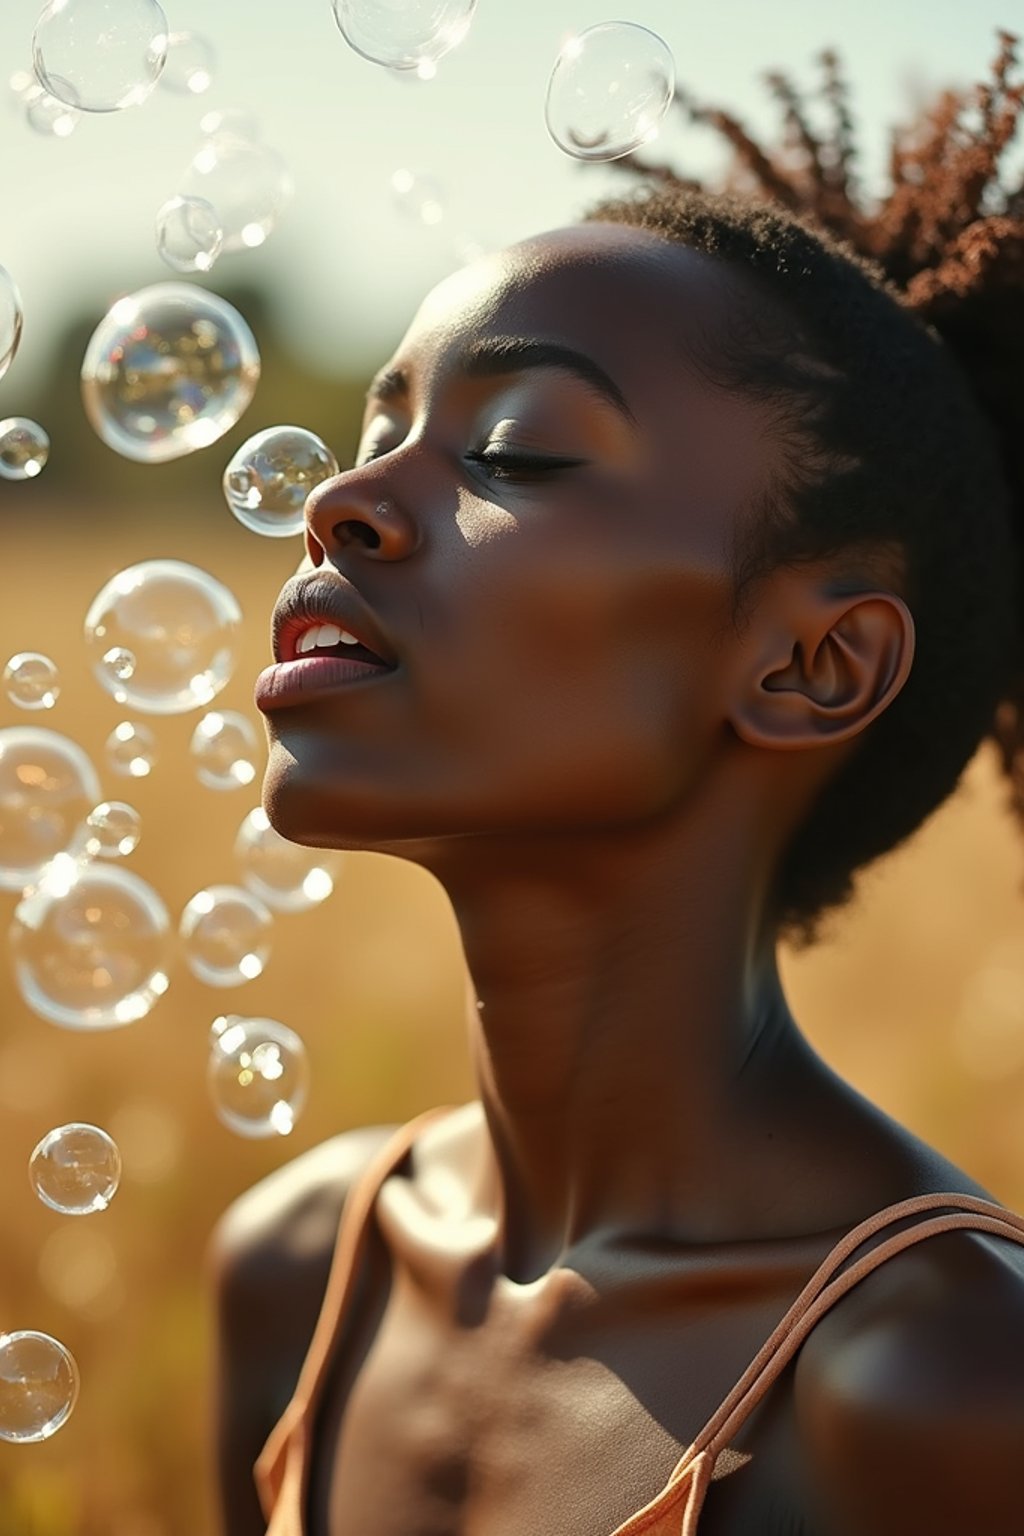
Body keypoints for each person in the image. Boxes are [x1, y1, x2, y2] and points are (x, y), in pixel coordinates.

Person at [210, 34, 1024, 1536]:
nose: (342, 501)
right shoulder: (299, 1271)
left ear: (811, 668)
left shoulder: (957, 1386)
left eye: (515, 451)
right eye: (381, 431)